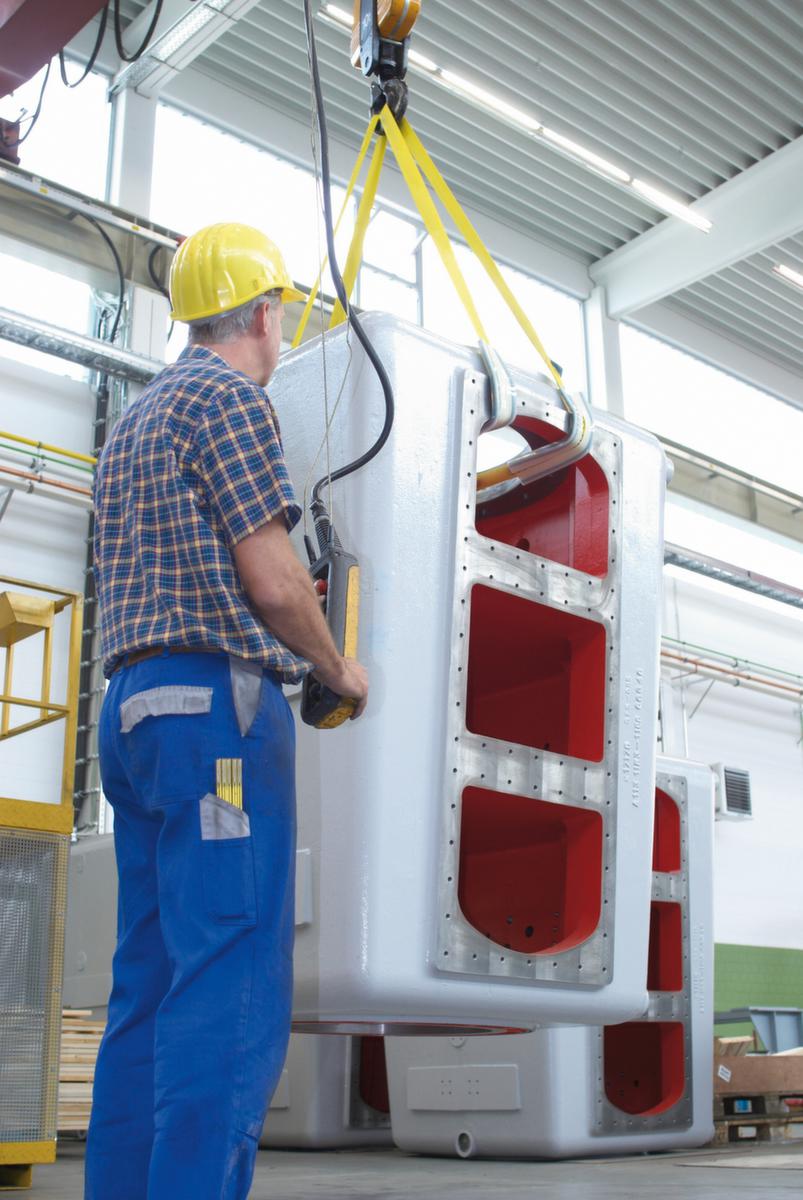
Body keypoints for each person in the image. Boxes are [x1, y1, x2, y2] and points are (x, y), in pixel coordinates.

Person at [85, 222, 368, 1200]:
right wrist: (339, 666)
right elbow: (275, 580)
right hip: (216, 719)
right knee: (230, 978)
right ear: (261, 312)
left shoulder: (135, 418)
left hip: (130, 719)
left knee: (150, 983)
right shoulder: (233, 403)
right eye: (282, 313)